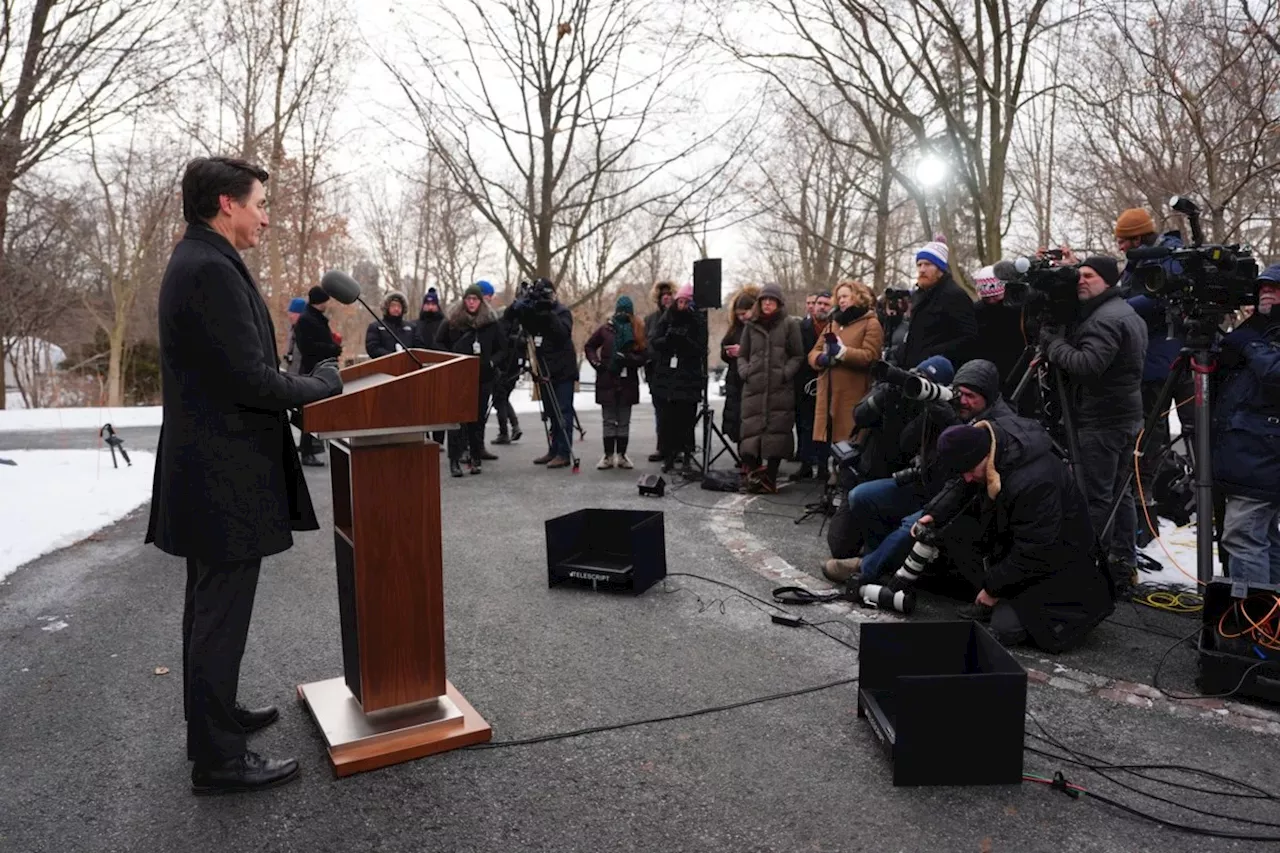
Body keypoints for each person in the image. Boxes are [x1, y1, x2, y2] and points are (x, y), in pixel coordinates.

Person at [146, 156, 343, 794]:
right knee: (218, 614)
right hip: (220, 476)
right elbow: (249, 378)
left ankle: (216, 717)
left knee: (210, 609)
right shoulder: (206, 268)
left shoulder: (202, 260)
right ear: (225, 203)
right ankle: (218, 758)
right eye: (260, 201)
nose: (266, 213)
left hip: (212, 471)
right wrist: (320, 386)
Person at [931, 422, 1114, 651]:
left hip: (1064, 568)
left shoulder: (1034, 482)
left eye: (970, 470)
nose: (967, 478)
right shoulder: (996, 455)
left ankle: (1012, 604)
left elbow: (1036, 550)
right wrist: (934, 514)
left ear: (987, 455)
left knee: (1006, 628)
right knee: (956, 536)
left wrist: (993, 588)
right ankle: (1003, 596)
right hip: (1028, 550)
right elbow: (961, 486)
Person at [1040, 255, 1147, 593]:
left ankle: (1090, 565)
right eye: (1079, 276)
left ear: (1108, 280)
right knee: (1122, 493)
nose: (1081, 281)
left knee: (1097, 496)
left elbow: (1087, 364)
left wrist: (1054, 344)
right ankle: (1122, 562)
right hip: (1126, 415)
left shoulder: (1104, 319)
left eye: (1089, 276)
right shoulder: (1125, 311)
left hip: (1102, 420)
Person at [1113, 207, 1189, 531]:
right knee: (1148, 441)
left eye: (1124, 240)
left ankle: (1152, 513)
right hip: (1154, 363)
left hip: (1167, 364)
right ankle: (1147, 514)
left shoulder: (1167, 260)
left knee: (1153, 439)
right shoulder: (1137, 264)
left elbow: (1155, 300)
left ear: (1140, 237)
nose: (1119, 246)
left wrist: (1114, 306)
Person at [1213, 266, 1280, 586]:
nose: (1267, 291)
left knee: (1244, 538)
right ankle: (1270, 619)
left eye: (1276, 287)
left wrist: (1250, 344)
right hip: (1250, 451)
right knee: (1263, 537)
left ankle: (1252, 626)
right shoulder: (1260, 330)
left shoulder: (1259, 338)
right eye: (1263, 286)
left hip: (1263, 454)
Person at [737, 283, 804, 493]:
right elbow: (742, 354)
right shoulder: (751, 325)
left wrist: (785, 373)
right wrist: (745, 371)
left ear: (778, 303)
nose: (767, 304)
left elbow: (797, 354)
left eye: (771, 300)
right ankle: (755, 477)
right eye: (764, 300)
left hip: (779, 388)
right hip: (754, 388)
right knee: (751, 433)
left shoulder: (789, 324)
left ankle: (770, 479)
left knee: (777, 432)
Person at [809, 281, 881, 468]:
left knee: (848, 442)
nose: (841, 301)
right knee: (829, 440)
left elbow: (871, 357)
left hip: (852, 394)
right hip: (829, 393)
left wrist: (842, 353)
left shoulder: (871, 323)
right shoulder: (833, 323)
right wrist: (822, 359)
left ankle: (842, 484)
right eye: (839, 297)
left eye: (845, 296)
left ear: (857, 297)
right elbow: (813, 353)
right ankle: (830, 483)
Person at [436, 283, 505, 476]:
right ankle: (454, 461)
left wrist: (491, 362)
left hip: (482, 377)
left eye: (475, 299)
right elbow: (438, 342)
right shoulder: (452, 321)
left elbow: (502, 348)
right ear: (464, 301)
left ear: (480, 301)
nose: (471, 303)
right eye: (468, 299)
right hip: (458, 376)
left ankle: (475, 457)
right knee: (457, 421)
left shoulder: (491, 322)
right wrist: (450, 358)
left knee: (477, 419)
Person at [510, 278, 577, 469]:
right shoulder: (538, 313)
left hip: (563, 371)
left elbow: (562, 334)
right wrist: (525, 309)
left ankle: (564, 453)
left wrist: (548, 313)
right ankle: (554, 450)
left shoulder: (562, 312)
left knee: (563, 411)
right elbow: (527, 329)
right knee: (551, 413)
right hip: (545, 369)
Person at [584, 295, 648, 469]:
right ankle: (607, 455)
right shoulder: (605, 329)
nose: (623, 314)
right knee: (609, 420)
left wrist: (627, 359)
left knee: (624, 421)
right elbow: (589, 346)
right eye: (620, 310)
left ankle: (621, 455)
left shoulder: (638, 330)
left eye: (626, 311)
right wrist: (597, 364)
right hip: (607, 379)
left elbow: (644, 356)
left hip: (627, 381)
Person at [649, 283, 707, 474]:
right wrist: (669, 339)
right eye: (679, 301)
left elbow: (701, 349)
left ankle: (687, 456)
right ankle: (669, 456)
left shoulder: (697, 320)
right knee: (668, 420)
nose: (682, 304)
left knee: (687, 420)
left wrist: (685, 341)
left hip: (688, 377)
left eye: (685, 301)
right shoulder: (667, 318)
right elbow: (655, 342)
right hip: (668, 376)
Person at [899, 237, 977, 369]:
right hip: (913, 371)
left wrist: (933, 354)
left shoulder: (954, 295)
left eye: (928, 264)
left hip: (937, 373)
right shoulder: (920, 294)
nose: (922, 269)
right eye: (919, 265)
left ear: (940, 269)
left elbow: (969, 339)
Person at [293, 284, 343, 466]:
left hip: (320, 368)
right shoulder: (307, 320)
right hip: (313, 370)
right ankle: (307, 451)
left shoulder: (315, 318)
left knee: (315, 411)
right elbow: (308, 347)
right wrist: (332, 349)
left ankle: (310, 448)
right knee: (310, 412)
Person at [792, 290, 831, 481]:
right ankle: (805, 464)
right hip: (804, 382)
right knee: (804, 424)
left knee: (825, 425)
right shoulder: (801, 327)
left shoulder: (834, 327)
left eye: (826, 304)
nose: (822, 307)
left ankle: (823, 466)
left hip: (827, 381)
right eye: (819, 303)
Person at [478, 280, 522, 446]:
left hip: (504, 363)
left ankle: (506, 430)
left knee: (500, 397)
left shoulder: (501, 318)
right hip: (505, 361)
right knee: (502, 397)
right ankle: (513, 426)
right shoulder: (502, 317)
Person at [970, 265, 1026, 390]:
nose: (992, 301)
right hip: (986, 369)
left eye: (995, 297)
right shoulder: (976, 311)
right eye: (987, 298)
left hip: (1017, 366)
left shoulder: (1017, 309)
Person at [720, 286, 759, 445]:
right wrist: (727, 353)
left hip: (751, 378)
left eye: (744, 313)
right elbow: (724, 348)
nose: (742, 318)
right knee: (736, 419)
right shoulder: (734, 329)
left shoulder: (758, 328)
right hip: (735, 378)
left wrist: (742, 352)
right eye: (739, 315)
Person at [644, 280, 677, 462]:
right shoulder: (650, 320)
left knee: (676, 412)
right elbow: (647, 343)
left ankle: (678, 448)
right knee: (660, 411)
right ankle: (662, 447)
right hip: (656, 371)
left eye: (669, 294)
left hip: (676, 372)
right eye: (663, 294)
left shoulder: (680, 316)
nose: (666, 297)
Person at [364, 291, 414, 359]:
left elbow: (417, 348)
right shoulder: (376, 327)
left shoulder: (411, 327)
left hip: (407, 365)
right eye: (393, 305)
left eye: (399, 306)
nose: (396, 308)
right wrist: (392, 356)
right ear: (387, 307)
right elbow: (373, 348)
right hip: (383, 366)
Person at [281, 296, 307, 375]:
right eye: (290, 313)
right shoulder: (292, 329)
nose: (290, 316)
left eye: (294, 313)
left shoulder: (307, 333)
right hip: (290, 374)